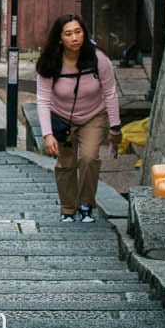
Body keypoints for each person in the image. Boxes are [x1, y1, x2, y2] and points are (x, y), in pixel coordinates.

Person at [35, 13, 122, 223]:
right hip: (61, 118)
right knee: (66, 163)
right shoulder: (50, 62)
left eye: (78, 32)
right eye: (68, 34)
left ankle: (85, 204)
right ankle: (68, 208)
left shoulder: (98, 59)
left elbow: (110, 93)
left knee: (89, 157)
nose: (74, 38)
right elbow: (43, 99)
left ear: (84, 34)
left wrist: (115, 127)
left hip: (93, 115)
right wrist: (47, 134)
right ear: (59, 38)